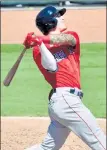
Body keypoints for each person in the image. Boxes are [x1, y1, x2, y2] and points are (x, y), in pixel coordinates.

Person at [23, 5, 106, 150]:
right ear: (51, 23)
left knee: (47, 148)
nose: (62, 17)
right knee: (101, 143)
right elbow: (52, 67)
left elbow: (66, 39)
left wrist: (39, 39)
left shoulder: (71, 36)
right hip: (65, 100)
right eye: (58, 16)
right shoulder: (38, 50)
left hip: (63, 103)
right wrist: (39, 43)